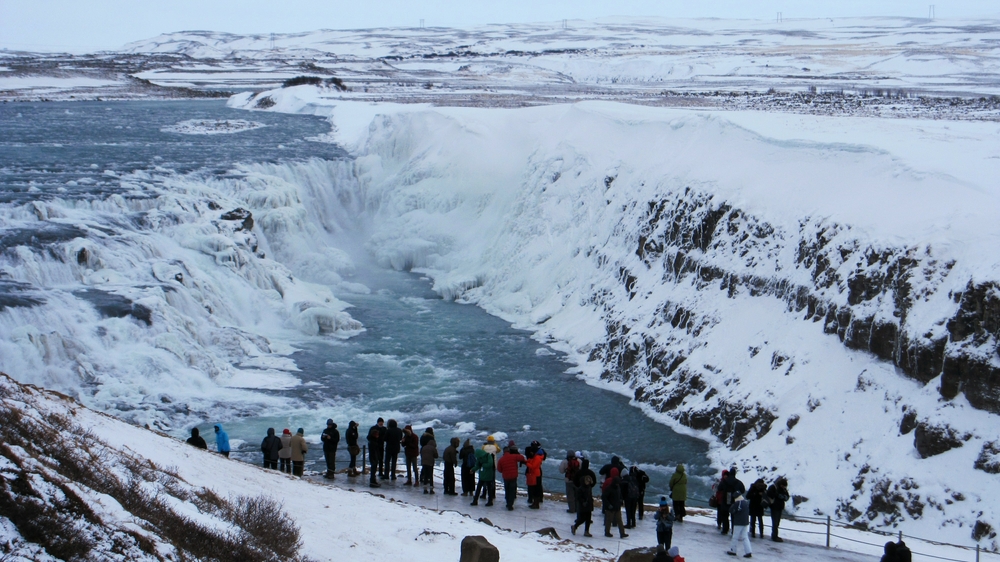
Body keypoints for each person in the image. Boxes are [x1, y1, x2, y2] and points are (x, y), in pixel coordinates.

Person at [571, 456, 597, 537]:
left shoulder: (579, 472)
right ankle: (586, 531)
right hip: (588, 495)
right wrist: (590, 486)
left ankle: (576, 525)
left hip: (580, 493)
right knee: (588, 516)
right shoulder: (591, 473)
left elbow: (574, 481)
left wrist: (578, 487)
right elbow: (594, 482)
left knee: (582, 515)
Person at [496, 444, 526, 510]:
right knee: (512, 491)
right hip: (513, 476)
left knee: (507, 490)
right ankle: (510, 504)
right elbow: (522, 457)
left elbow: (499, 470)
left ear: (503, 452)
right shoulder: (514, 456)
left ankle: (507, 503)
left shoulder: (501, 460)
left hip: (506, 477)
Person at [601, 467, 628, 539]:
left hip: (617, 506)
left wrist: (621, 500)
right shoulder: (609, 488)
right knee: (608, 521)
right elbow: (604, 497)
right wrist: (608, 505)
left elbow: (620, 495)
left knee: (619, 521)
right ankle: (607, 532)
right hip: (610, 507)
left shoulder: (618, 487)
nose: (617, 484)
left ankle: (622, 533)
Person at [720, 467, 746, 535]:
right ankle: (734, 531)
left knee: (725, 516)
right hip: (735, 500)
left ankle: (725, 529)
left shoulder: (724, 481)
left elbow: (719, 488)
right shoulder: (738, 482)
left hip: (726, 499)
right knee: (734, 517)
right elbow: (743, 490)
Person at [727, 493, 752, 558]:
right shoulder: (745, 502)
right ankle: (748, 551)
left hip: (738, 522)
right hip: (745, 522)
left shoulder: (737, 503)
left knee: (735, 536)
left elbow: (731, 510)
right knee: (745, 537)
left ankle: (733, 550)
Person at [766, 476, 790, 542]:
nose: (784, 488)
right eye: (783, 486)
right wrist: (777, 495)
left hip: (780, 507)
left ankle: (775, 535)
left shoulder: (784, 490)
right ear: (781, 484)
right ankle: (774, 536)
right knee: (775, 522)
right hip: (774, 507)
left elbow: (787, 496)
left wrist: (784, 497)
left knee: (777, 522)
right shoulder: (773, 487)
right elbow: (769, 493)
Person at [479, 436, 501, 501]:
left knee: (485, 479)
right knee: (492, 480)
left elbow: (481, 451)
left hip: (486, 465)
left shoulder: (484, 447)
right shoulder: (495, 447)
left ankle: (484, 494)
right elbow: (499, 450)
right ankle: (492, 494)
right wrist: (495, 444)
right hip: (493, 465)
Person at [367, 418, 386, 487]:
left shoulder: (384, 429)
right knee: (374, 464)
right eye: (380, 422)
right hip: (376, 448)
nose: (381, 423)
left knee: (380, 460)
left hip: (380, 446)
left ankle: (380, 472)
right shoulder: (373, 429)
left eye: (382, 422)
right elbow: (368, 437)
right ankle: (373, 481)